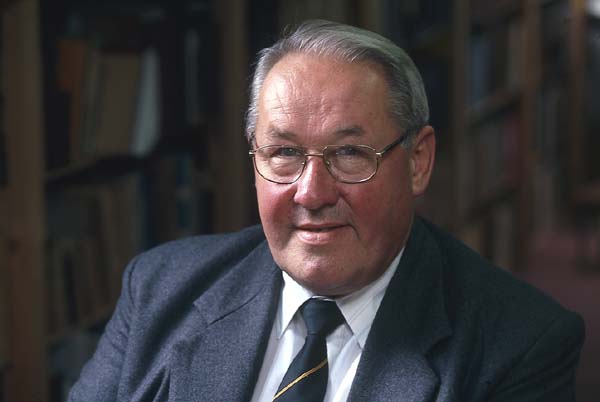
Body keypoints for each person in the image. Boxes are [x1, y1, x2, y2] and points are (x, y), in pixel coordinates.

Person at [68, 20, 584, 402]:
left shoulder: (520, 345)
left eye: (351, 154)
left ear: (418, 162)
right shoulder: (159, 290)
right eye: (284, 153)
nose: (311, 193)